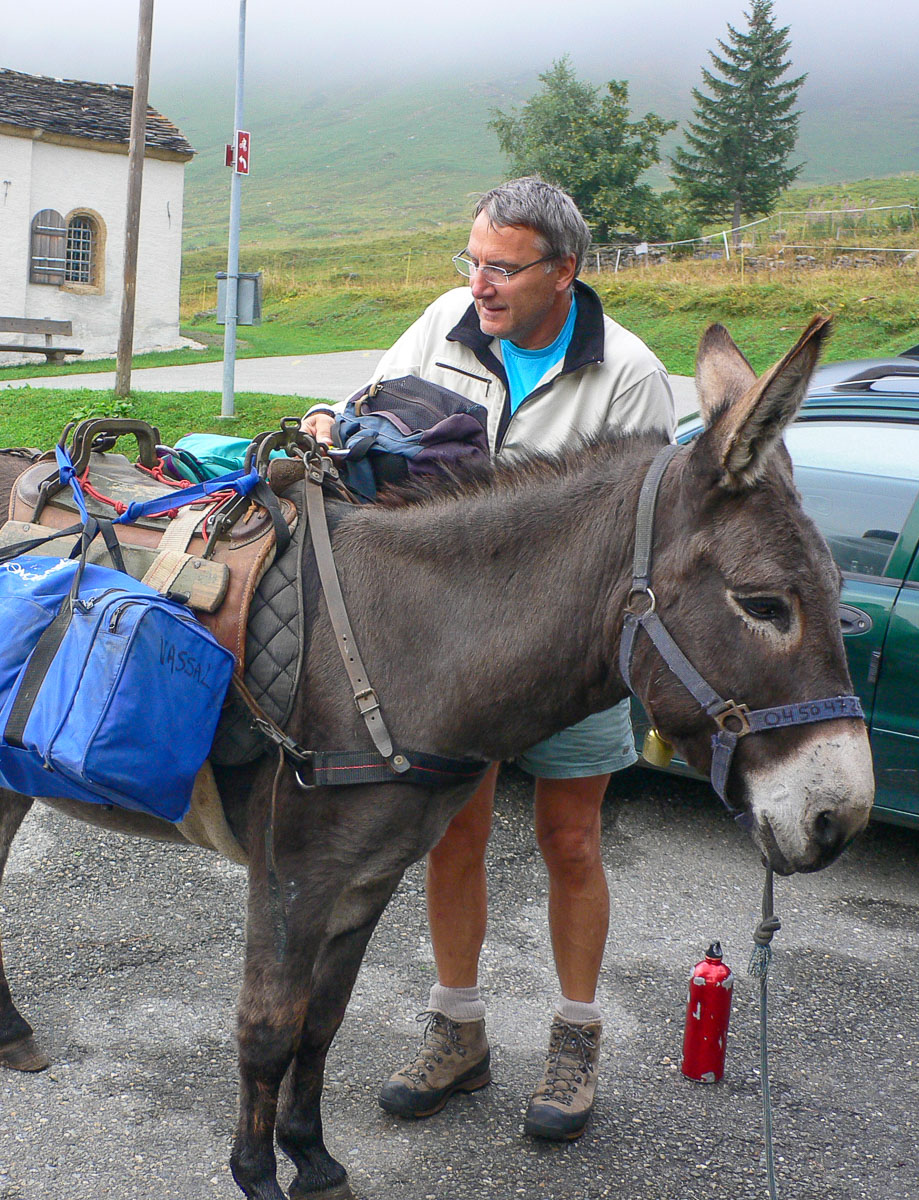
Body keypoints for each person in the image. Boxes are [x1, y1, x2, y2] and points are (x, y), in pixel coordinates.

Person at [301, 175, 674, 1141]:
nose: (481, 284)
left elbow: (645, 529)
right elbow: (365, 410)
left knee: (571, 842)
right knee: (451, 834)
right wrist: (324, 425)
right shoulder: (442, 322)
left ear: (565, 272)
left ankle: (575, 1041)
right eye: (472, 261)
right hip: (456, 646)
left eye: (503, 268)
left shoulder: (630, 373)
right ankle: (458, 1031)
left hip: (572, 651)